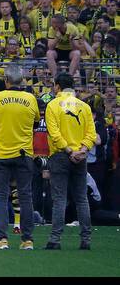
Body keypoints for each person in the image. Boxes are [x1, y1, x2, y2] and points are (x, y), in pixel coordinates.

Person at [0, 65, 39, 250]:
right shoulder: (31, 99)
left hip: (1, 154)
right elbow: (35, 122)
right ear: (23, 81)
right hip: (24, 153)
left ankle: (1, 239)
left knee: (1, 196)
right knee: (25, 196)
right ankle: (27, 240)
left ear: (6, 80)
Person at [44, 73, 97, 251]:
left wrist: (69, 150)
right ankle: (86, 240)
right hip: (80, 157)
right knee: (82, 199)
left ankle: (55, 240)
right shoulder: (84, 106)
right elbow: (91, 133)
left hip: (60, 155)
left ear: (57, 86)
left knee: (59, 199)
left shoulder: (52, 105)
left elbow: (54, 133)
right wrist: (82, 150)